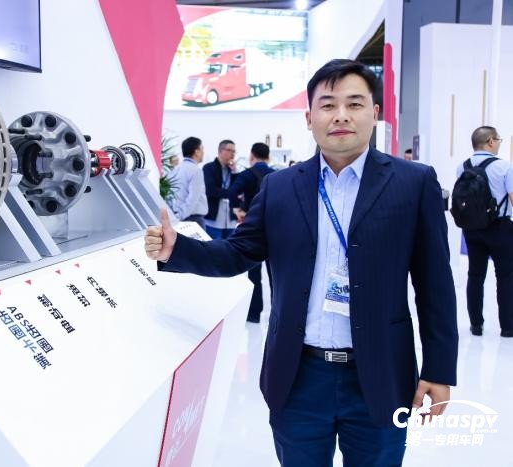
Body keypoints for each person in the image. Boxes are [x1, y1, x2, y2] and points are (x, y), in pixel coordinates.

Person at [145, 59, 458, 466]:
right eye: (327, 105)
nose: (341, 115)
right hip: (299, 376)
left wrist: (439, 369)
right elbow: (238, 252)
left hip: (380, 374)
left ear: (375, 113)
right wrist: (177, 249)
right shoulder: (279, 187)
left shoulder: (413, 183)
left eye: (354, 103)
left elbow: (435, 285)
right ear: (309, 118)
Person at [456, 126, 513, 337]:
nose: (498, 143)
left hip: (472, 228)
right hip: (500, 227)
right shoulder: (505, 167)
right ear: (490, 141)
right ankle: (508, 327)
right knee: (505, 276)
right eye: (498, 140)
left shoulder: (462, 167)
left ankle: (476, 325)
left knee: (475, 274)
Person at [227, 142, 275, 323]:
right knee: (275, 274)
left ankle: (254, 314)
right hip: (274, 227)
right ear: (268, 156)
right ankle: (277, 314)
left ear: (251, 156)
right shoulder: (276, 175)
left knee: (254, 274)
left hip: (253, 228)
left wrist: (237, 210)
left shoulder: (246, 174)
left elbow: (232, 191)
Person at [168, 136, 207, 229]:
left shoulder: (176, 169)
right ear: (196, 151)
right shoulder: (196, 170)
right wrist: (180, 217)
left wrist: (176, 217)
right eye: (202, 149)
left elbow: (170, 196)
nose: (203, 152)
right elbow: (192, 199)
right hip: (193, 220)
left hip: (178, 217)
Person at [203, 139, 238, 239]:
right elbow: (211, 190)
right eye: (229, 150)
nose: (232, 154)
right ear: (220, 151)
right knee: (214, 247)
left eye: (234, 151)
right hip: (214, 219)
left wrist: (235, 172)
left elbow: (238, 190)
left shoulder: (232, 170)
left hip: (230, 220)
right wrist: (231, 193)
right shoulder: (209, 168)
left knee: (230, 247)